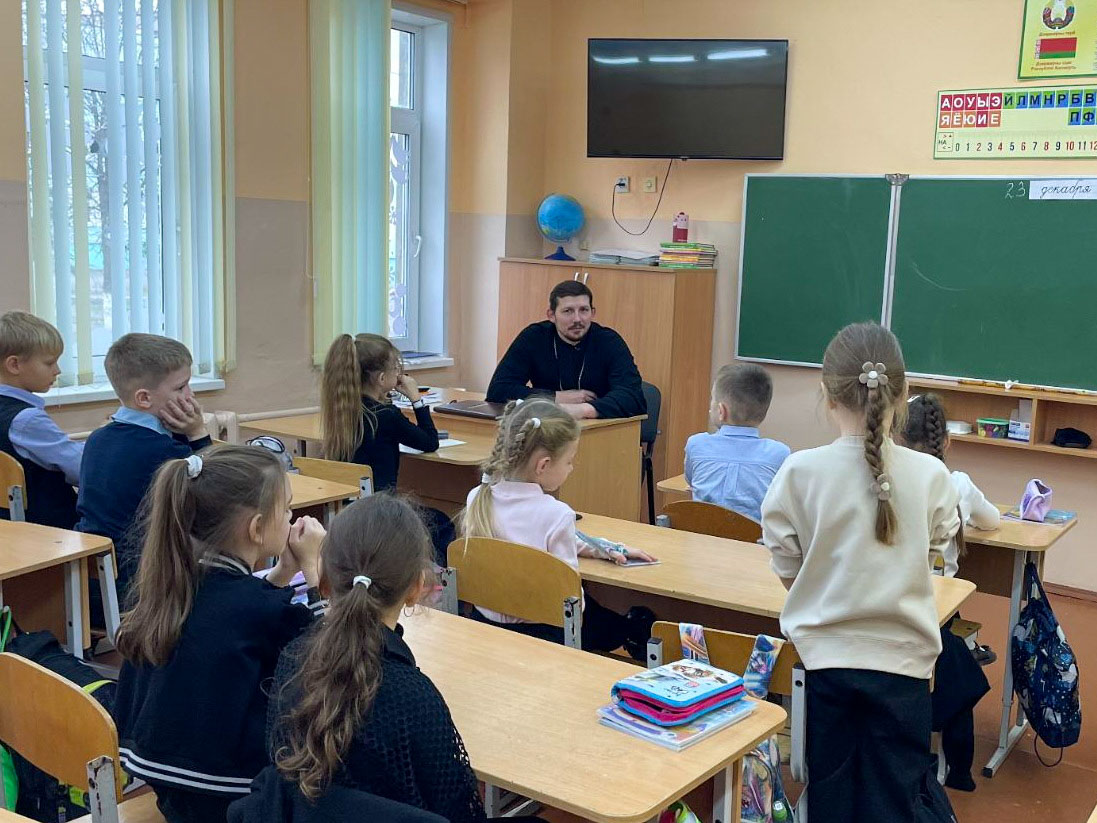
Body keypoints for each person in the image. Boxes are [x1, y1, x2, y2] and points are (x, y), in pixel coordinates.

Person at [760, 322, 960, 821]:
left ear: (826, 393)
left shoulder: (799, 472)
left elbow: (787, 564)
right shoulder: (933, 476)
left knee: (830, 798)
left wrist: (824, 587)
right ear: (904, 395)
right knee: (896, 799)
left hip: (825, 664)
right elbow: (934, 555)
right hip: (905, 669)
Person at [268, 494, 545, 823]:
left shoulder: (291, 661)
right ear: (417, 589)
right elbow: (461, 813)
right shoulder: (414, 698)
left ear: (324, 583)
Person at [113, 445, 327, 823]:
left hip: (165, 780)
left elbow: (241, 611)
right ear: (257, 528)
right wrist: (314, 570)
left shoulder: (174, 583)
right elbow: (332, 652)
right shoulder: (259, 609)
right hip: (232, 793)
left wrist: (281, 574)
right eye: (287, 509)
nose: (292, 517)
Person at [460, 399, 656, 659]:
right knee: (598, 614)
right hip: (545, 635)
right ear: (543, 465)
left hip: (484, 624)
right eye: (569, 461)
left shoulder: (478, 497)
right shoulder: (556, 514)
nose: (571, 468)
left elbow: (537, 538)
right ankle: (635, 632)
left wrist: (606, 548)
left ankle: (627, 629)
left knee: (601, 616)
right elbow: (571, 601)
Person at [902, 392, 995, 792]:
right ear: (947, 441)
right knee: (955, 655)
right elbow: (992, 521)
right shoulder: (957, 484)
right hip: (937, 611)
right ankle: (958, 769)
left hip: (893, 608)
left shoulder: (889, 482)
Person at [76, 333, 212, 597]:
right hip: (143, 582)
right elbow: (218, 491)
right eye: (181, 387)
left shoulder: (97, 438)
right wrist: (197, 433)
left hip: (94, 577)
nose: (191, 394)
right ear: (144, 399)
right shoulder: (163, 451)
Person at [320, 333, 453, 566]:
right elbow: (430, 442)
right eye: (395, 369)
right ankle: (429, 582)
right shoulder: (386, 416)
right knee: (442, 523)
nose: (400, 375)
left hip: (350, 513)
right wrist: (416, 398)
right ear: (382, 378)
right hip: (381, 514)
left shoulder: (341, 412)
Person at [486, 280, 645, 420]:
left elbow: (633, 397)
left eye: (584, 310)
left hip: (601, 428)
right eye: (568, 311)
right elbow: (498, 391)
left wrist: (582, 410)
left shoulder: (609, 341)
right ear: (551, 315)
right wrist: (555, 397)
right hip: (549, 428)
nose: (577, 319)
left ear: (593, 313)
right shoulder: (534, 337)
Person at [0, 311, 83, 528]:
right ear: (14, 365)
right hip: (49, 530)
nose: (57, 371)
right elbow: (81, 468)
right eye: (49, 363)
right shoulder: (26, 420)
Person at [685, 363, 790, 523]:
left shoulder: (696, 444)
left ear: (721, 411)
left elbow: (691, 481)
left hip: (699, 535)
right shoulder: (780, 454)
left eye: (712, 399)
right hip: (753, 538)